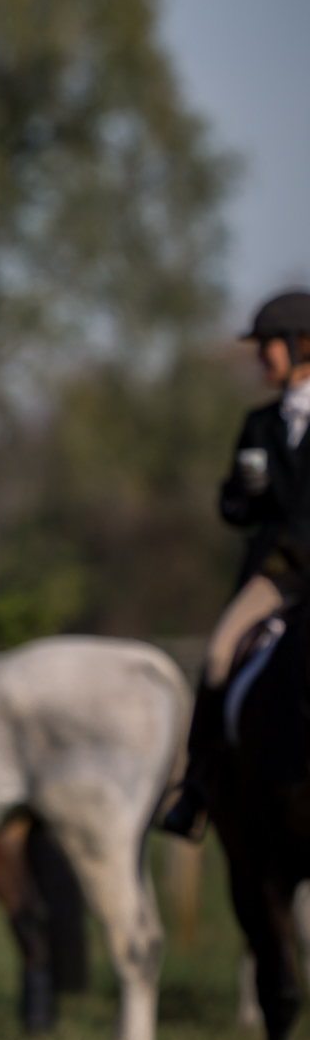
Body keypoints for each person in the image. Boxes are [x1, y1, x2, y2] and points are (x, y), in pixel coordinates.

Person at [161, 291, 310, 840]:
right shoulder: (259, 424)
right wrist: (247, 496)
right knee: (221, 652)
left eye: (268, 346)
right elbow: (231, 508)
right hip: (277, 574)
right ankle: (198, 785)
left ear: (302, 345)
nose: (261, 357)